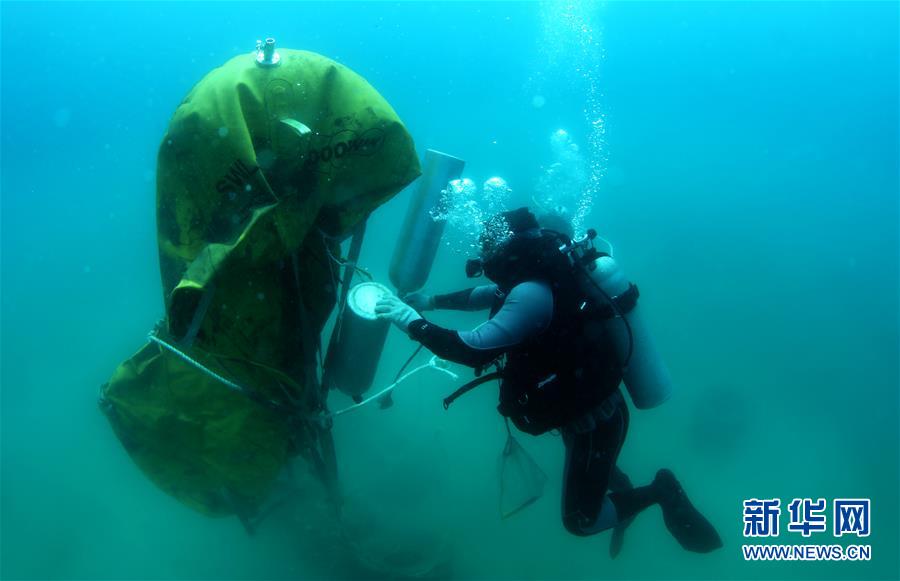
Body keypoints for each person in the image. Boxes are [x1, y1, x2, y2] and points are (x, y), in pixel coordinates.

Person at [375, 207, 722, 554]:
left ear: (507, 247)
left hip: (595, 422)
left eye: (486, 246)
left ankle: (661, 491)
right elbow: (483, 295)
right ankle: (617, 484)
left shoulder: (531, 293)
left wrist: (409, 319)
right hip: (579, 411)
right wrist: (431, 301)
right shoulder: (531, 281)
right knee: (593, 470)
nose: (482, 255)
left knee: (580, 521)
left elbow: (472, 350)